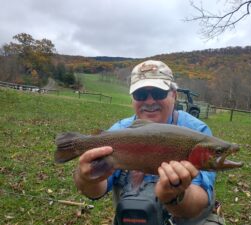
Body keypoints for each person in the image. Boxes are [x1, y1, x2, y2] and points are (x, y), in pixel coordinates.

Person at [73, 60, 225, 225]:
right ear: (132, 99)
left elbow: (199, 201)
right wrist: (85, 178)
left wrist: (174, 196)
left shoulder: (196, 132)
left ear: (174, 95)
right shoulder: (119, 132)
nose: (150, 101)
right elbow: (96, 190)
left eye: (159, 93)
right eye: (140, 95)